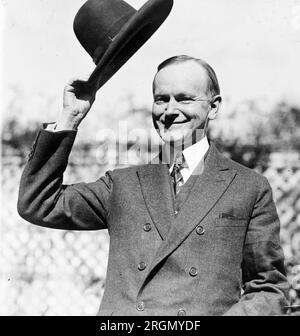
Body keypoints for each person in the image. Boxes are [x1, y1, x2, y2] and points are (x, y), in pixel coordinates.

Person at [17, 55, 289, 316]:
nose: (170, 111)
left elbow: (268, 289)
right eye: (161, 100)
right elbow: (39, 203)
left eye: (184, 98)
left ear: (213, 107)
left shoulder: (248, 187)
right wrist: (71, 117)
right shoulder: (122, 185)